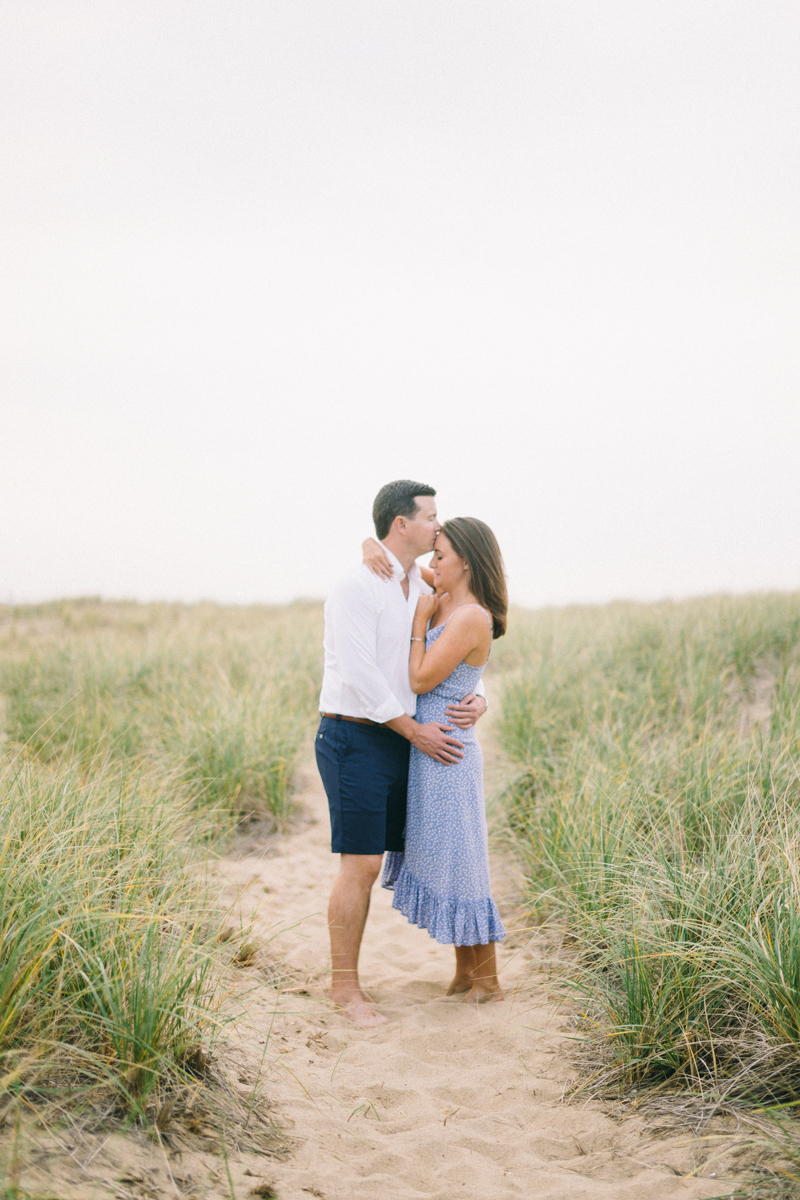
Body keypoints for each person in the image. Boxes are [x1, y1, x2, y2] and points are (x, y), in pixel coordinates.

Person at [315, 481, 487, 1026]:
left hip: (399, 738)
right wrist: (413, 730)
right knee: (361, 863)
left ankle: (473, 973)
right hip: (355, 734)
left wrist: (480, 696)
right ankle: (346, 991)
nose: (440, 526)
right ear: (400, 525)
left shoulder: (421, 580)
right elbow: (361, 674)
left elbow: (469, 625)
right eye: (431, 517)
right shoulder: (356, 585)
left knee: (411, 855)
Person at [380, 517, 508, 1002]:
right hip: (428, 749)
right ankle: (465, 973)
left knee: (465, 863)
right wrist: (370, 542)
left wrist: (417, 624)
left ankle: (489, 980)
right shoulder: (446, 592)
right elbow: (405, 561)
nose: (433, 564)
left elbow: (419, 681)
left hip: (449, 752)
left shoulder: (471, 615)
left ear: (467, 564)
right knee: (449, 860)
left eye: (442, 556)